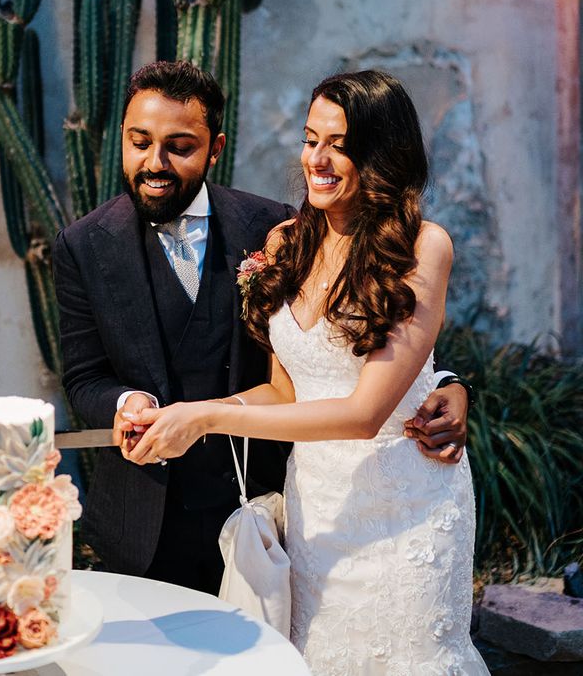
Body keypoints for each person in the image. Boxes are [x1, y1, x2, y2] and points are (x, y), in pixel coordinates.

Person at [53, 61, 472, 597]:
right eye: (139, 142)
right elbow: (84, 375)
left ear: (215, 147)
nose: (154, 163)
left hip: (272, 508)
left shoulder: (267, 228)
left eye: (179, 146)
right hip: (147, 520)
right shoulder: (84, 245)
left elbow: (391, 347)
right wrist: (128, 403)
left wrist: (451, 384)